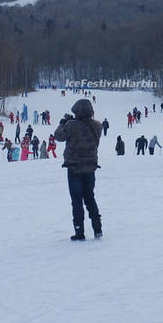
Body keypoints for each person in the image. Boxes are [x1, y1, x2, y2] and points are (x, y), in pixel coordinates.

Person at [54, 99, 103, 240]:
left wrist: (62, 123)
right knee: (90, 198)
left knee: (76, 200)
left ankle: (79, 231)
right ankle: (97, 228)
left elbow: (59, 136)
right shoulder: (97, 126)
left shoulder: (71, 125)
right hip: (90, 167)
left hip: (74, 168)